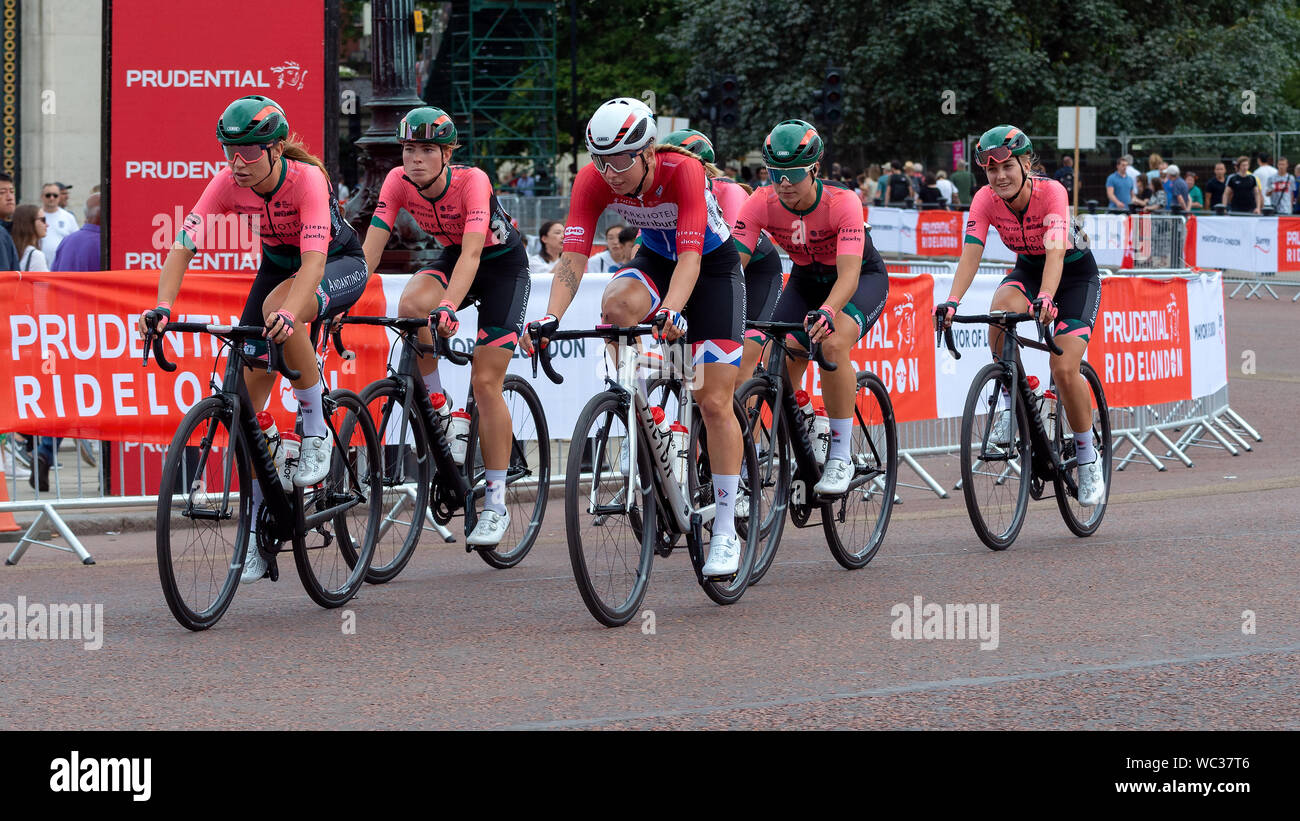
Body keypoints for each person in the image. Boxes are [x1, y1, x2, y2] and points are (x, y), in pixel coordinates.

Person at [136, 95, 369, 584]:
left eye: (248, 152)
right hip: (277, 267)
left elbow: (311, 266)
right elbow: (183, 245)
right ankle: (263, 525)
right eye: (228, 152)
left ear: (277, 148)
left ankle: (315, 427)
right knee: (246, 408)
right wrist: (162, 307)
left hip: (336, 265)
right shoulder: (226, 182)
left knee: (276, 313)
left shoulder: (307, 180)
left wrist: (288, 312)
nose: (236, 164)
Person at [519, 97, 747, 577]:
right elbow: (574, 258)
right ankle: (640, 410)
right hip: (657, 260)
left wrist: (671, 310)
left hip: (711, 267)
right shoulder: (594, 178)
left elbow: (691, 259)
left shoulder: (681, 170)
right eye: (600, 159)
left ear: (647, 153)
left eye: (621, 159)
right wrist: (549, 318)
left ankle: (725, 528)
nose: (610, 171)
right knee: (616, 305)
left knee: (712, 398)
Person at [361, 106, 528, 547]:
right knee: (411, 302)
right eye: (409, 148)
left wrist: (451, 305)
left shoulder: (473, 181)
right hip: (454, 258)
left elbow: (474, 255)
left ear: (447, 153)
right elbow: (369, 253)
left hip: (501, 268)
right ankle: (437, 400)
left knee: (487, 382)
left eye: (427, 150)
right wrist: (340, 296)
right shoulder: (396, 181)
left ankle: (495, 501)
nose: (415, 158)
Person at [936, 125, 1105, 507]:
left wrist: (1046, 296)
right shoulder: (985, 199)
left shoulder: (1052, 193)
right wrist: (952, 301)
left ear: (1027, 163)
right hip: (1029, 270)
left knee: (1064, 369)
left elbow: (1057, 254)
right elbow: (971, 253)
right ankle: (1016, 398)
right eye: (991, 171)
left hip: (1074, 276)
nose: (1000, 177)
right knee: (1000, 311)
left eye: (1007, 166)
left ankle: (1087, 454)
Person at [732, 119, 890, 500]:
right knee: (772, 359)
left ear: (815, 169)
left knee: (832, 345)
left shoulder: (843, 202)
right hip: (805, 279)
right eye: (775, 174)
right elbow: (733, 265)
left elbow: (849, 276)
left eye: (794, 174)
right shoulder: (761, 201)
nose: (783, 183)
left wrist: (828, 312)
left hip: (858, 280)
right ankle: (800, 419)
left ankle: (839, 454)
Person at [660, 128, 783, 387]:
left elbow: (731, 257)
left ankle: (748, 425)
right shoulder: (661, 198)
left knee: (737, 374)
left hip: (751, 274)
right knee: (689, 376)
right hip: (702, 274)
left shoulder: (729, 191)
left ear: (703, 169)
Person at [39, 182, 78, 260]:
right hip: (41, 266)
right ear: (42, 197)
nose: (52, 198)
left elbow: (76, 242)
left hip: (63, 265)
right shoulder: (35, 216)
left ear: (59, 197)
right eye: (48, 195)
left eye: (55, 195)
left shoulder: (69, 217)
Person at [11, 204, 49, 272]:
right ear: (29, 222)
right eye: (43, 220)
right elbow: (43, 282)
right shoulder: (36, 256)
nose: (47, 224)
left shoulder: (12, 250)